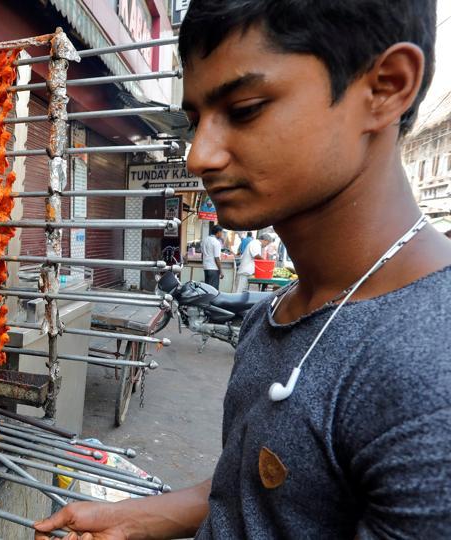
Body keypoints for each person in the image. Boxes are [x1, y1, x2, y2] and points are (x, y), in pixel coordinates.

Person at [35, 0, 451, 538]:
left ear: (386, 87)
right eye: (194, 121)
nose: (199, 155)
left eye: (246, 108)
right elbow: (264, 496)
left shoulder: (429, 378)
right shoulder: (275, 313)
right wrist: (140, 515)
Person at [200, 225, 224, 289]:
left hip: (206, 268)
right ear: (218, 232)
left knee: (207, 289)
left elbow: (202, 255)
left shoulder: (204, 240)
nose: (222, 234)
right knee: (213, 290)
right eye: (221, 232)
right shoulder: (216, 242)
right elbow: (217, 258)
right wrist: (221, 271)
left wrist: (204, 264)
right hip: (214, 269)